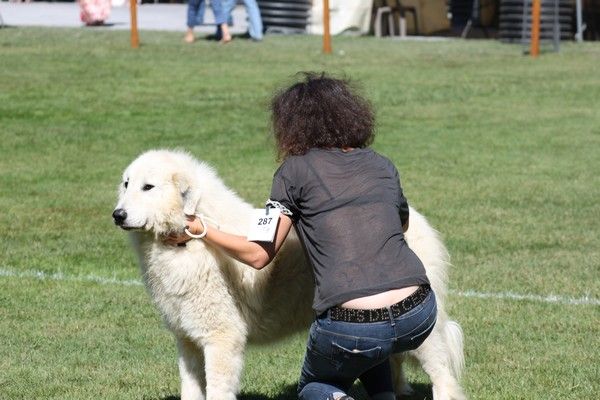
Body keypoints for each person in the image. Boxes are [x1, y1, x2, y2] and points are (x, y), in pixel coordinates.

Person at [166, 72, 437, 400]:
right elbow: (402, 225)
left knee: (314, 387)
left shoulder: (292, 173)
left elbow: (257, 254)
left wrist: (203, 230)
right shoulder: (380, 163)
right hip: (419, 312)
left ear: (291, 125)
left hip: (352, 323)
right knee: (366, 346)